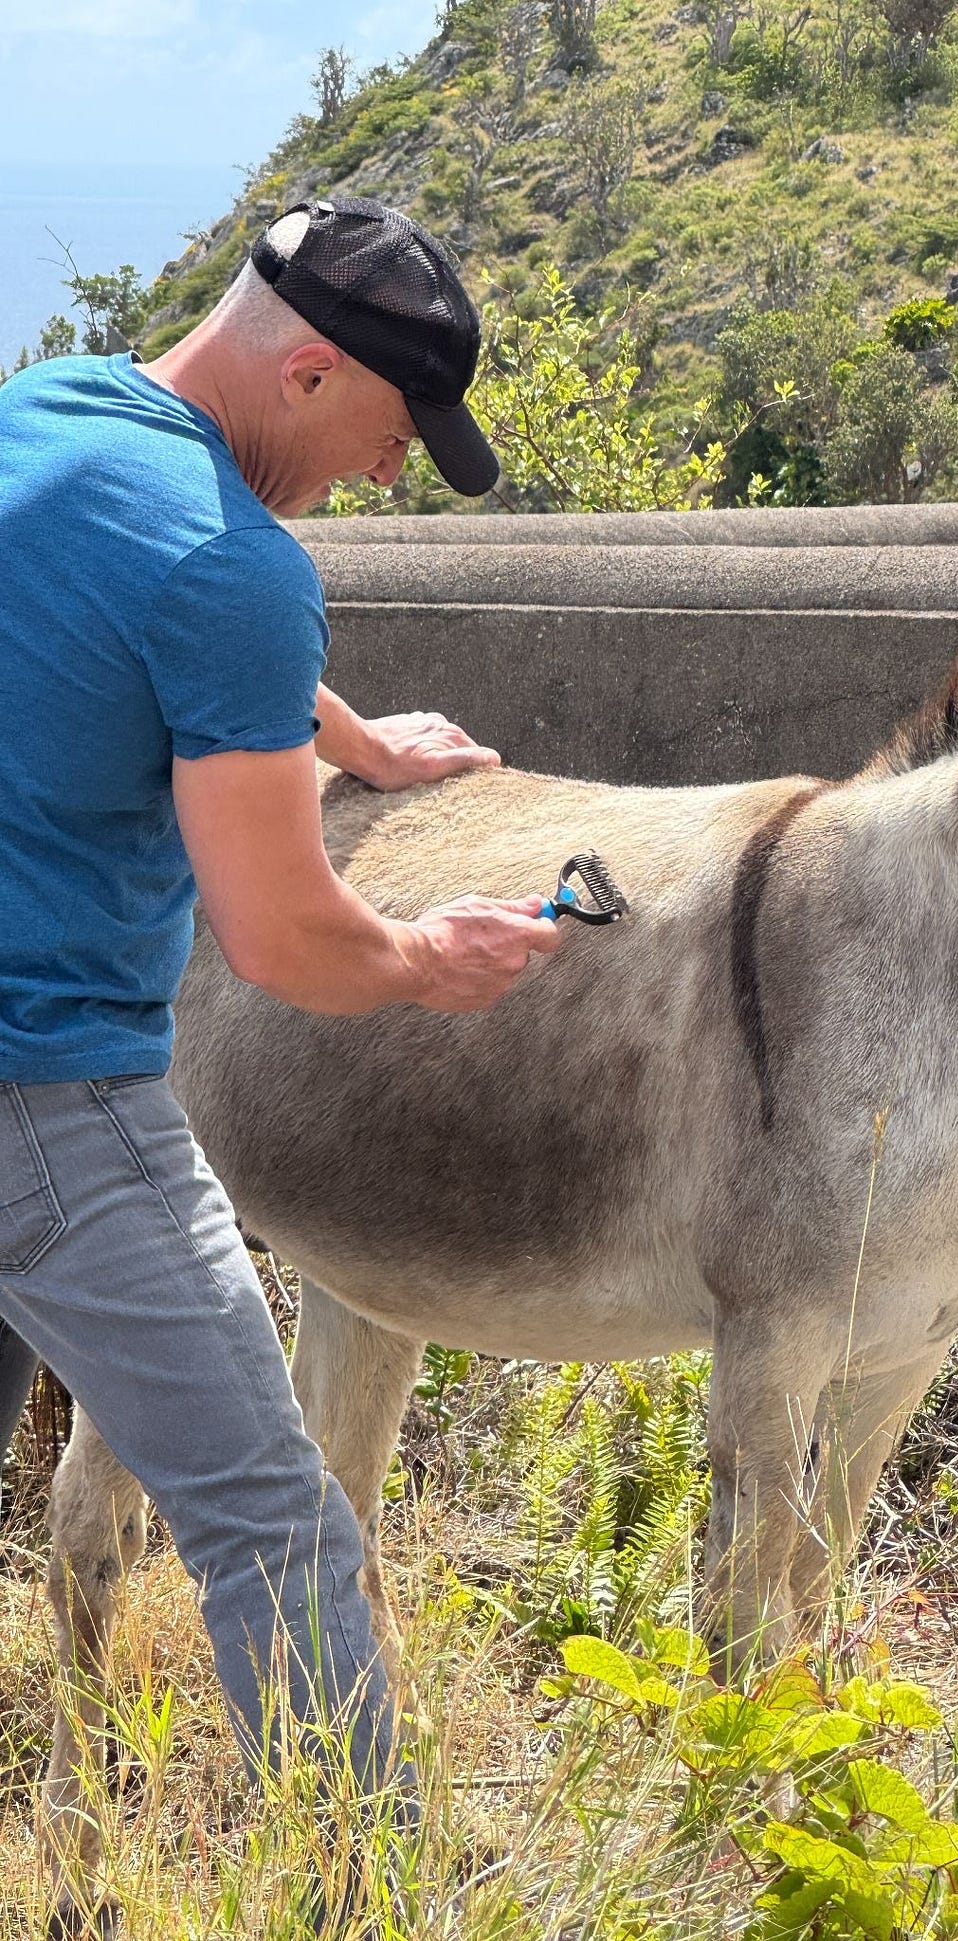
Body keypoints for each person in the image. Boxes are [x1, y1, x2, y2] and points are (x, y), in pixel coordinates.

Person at [0, 197, 561, 1900]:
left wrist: (347, 732)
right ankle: (377, 1893)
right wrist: (429, 960)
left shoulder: (57, 408)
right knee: (271, 1516)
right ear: (310, 367)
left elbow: (141, 598)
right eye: (392, 431)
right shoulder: (244, 571)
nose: (392, 472)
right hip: (54, 1103)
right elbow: (284, 939)